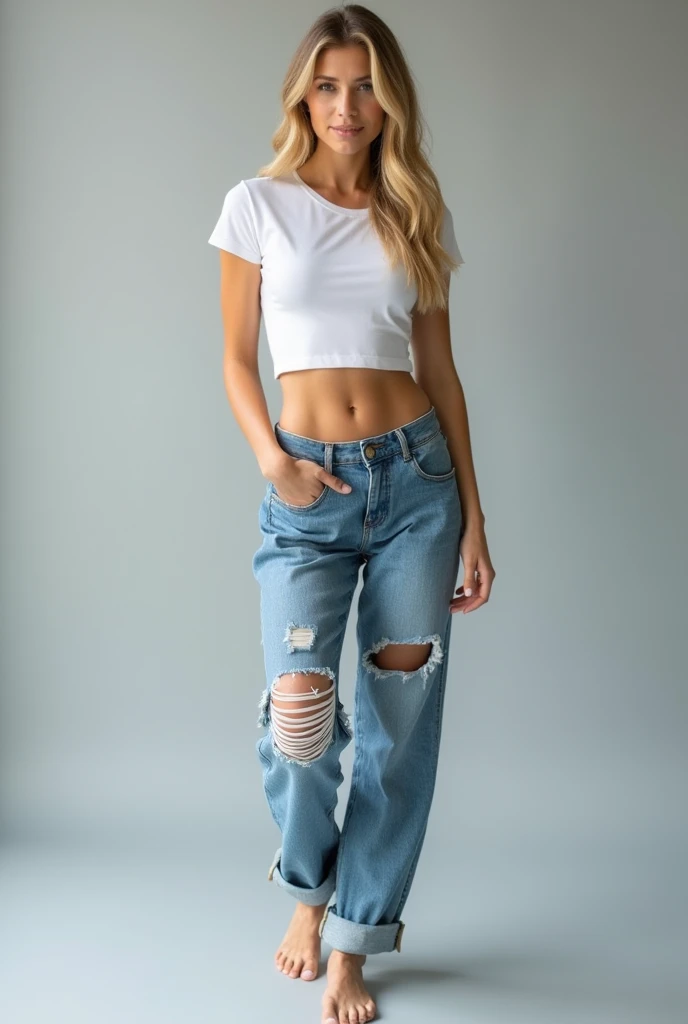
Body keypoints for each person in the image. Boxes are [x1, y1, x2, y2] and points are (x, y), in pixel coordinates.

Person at [208, 6, 495, 1022]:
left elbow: (440, 372)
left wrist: (473, 518)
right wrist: (271, 459)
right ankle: (304, 887)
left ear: (389, 101)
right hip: (308, 487)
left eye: (364, 86)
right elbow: (237, 359)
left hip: (416, 481)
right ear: (303, 95)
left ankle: (353, 942)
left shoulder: (414, 209)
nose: (345, 105)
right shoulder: (258, 205)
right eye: (327, 85)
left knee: (397, 728)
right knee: (300, 711)